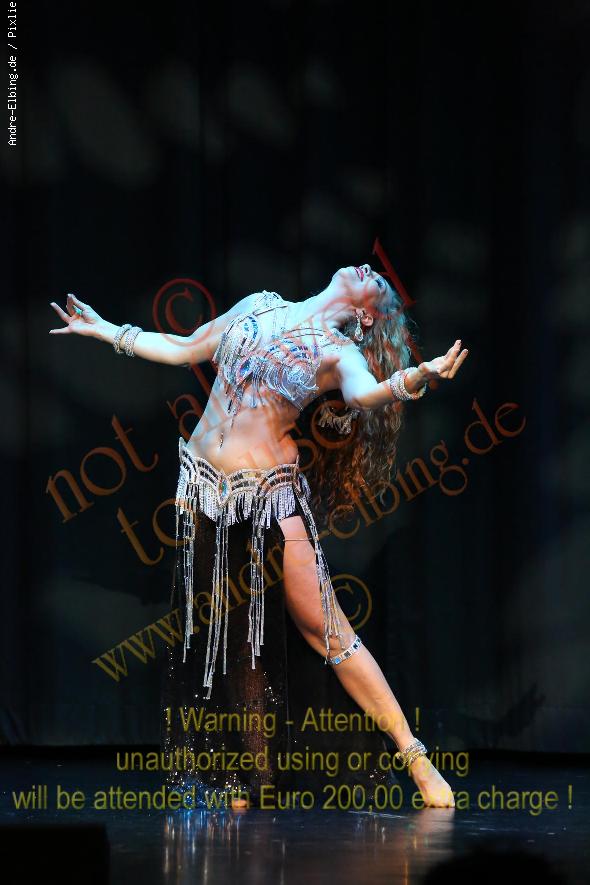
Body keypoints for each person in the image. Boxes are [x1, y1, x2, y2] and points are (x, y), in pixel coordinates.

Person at [49, 264, 468, 810]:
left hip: (268, 495)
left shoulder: (340, 354)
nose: (369, 268)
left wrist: (415, 378)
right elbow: (184, 348)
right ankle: (251, 778)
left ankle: (415, 757)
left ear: (366, 315)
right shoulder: (257, 305)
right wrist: (107, 330)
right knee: (230, 637)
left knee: (326, 630)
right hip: (203, 491)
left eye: (379, 282)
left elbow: (366, 395)